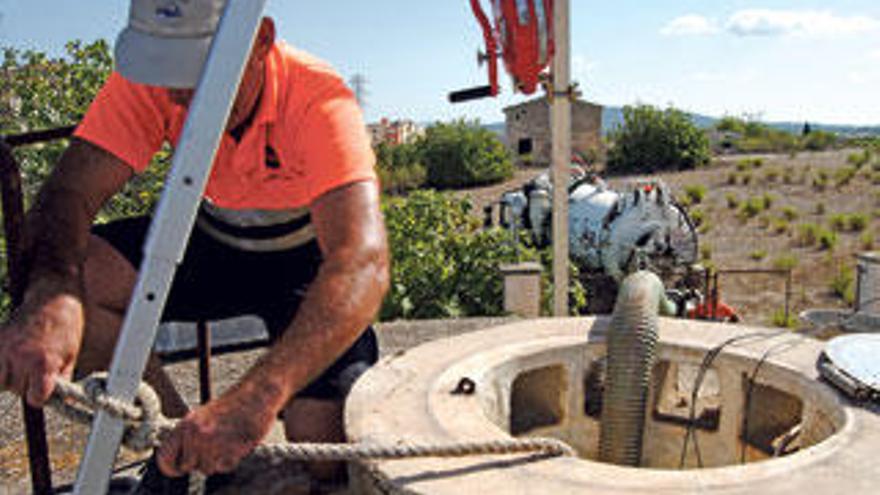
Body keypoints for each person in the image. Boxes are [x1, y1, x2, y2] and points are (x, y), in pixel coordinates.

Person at [0, 0, 389, 486]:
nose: (179, 94)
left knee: (328, 452)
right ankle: (177, 450)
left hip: (304, 266)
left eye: (197, 73)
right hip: (212, 241)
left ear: (260, 41)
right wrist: (51, 297)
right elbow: (69, 193)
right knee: (81, 276)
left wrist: (253, 402)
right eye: (166, 70)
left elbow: (361, 262)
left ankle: (236, 447)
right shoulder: (151, 82)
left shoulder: (318, 97)